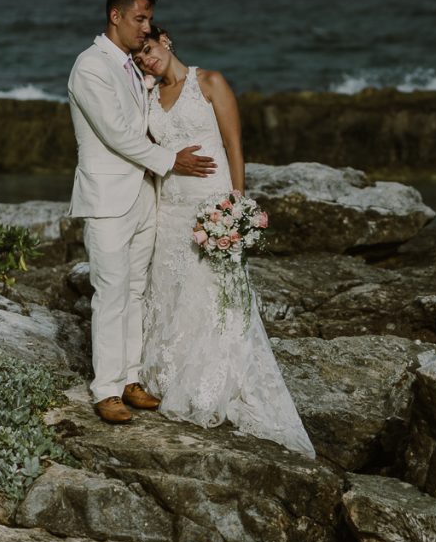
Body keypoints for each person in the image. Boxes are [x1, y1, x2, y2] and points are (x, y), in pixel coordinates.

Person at [133, 26, 315, 458]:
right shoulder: (150, 98)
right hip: (169, 209)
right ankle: (168, 376)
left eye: (149, 49)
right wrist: (143, 86)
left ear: (166, 40)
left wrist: (237, 206)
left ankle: (211, 381)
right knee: (171, 290)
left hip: (211, 204)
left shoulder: (210, 82)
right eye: (138, 57)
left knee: (216, 295)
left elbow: (235, 145)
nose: (146, 59)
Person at [68, 0, 216, 425]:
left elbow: (150, 110)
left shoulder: (133, 66)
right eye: (140, 18)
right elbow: (117, 132)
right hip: (108, 198)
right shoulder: (90, 66)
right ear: (115, 16)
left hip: (143, 196)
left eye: (149, 19)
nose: (146, 26)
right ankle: (106, 389)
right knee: (110, 293)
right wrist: (172, 161)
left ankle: (130, 378)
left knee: (135, 291)